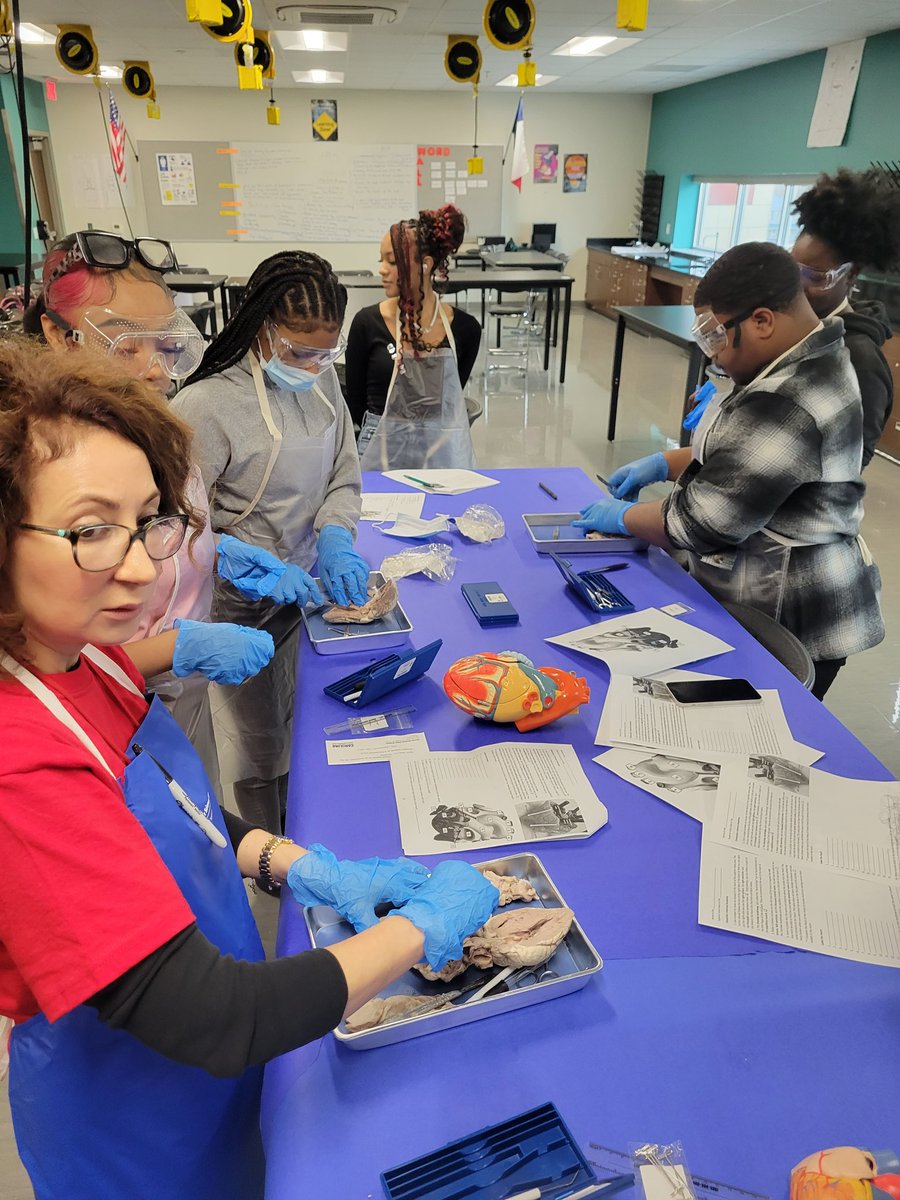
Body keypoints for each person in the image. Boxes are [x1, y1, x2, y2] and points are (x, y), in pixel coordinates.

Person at [0, 342, 499, 1200]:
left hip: (206, 1086)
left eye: (149, 521)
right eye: (89, 530)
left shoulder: (80, 657)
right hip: (133, 1121)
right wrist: (421, 929)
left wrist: (293, 864)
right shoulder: (20, 769)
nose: (141, 566)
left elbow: (173, 809)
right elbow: (218, 1016)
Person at [23, 230, 274, 793]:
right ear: (57, 335)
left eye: (166, 346)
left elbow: (161, 533)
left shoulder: (155, 427)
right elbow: (52, 668)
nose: (156, 370)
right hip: (111, 714)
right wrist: (174, 648)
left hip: (181, 695)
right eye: (124, 347)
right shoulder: (44, 468)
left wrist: (210, 550)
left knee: (201, 811)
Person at [579, 242, 883, 700]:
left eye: (718, 337)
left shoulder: (790, 398)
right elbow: (739, 454)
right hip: (763, 587)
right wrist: (662, 463)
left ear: (761, 321)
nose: (714, 356)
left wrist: (621, 517)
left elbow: (699, 523)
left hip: (793, 612)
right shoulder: (794, 360)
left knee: (762, 725)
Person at [172, 251, 371, 833]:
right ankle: (270, 850)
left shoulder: (321, 380)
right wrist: (233, 557)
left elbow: (343, 472)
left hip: (309, 588)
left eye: (324, 353)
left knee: (307, 722)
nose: (312, 365)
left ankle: (307, 822)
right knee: (260, 745)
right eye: (298, 351)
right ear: (261, 326)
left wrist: (336, 536)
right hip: (240, 603)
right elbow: (176, 520)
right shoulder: (206, 405)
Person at [345, 203, 482, 469]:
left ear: (426, 265)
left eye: (392, 261)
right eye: (381, 260)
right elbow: (356, 404)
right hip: (378, 455)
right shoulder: (367, 323)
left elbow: (450, 403)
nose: (382, 270)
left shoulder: (466, 330)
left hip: (440, 455)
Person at [791, 168, 900, 468]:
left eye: (815, 277)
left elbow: (853, 459)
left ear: (850, 274)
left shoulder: (861, 362)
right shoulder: (802, 324)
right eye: (794, 269)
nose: (799, 286)